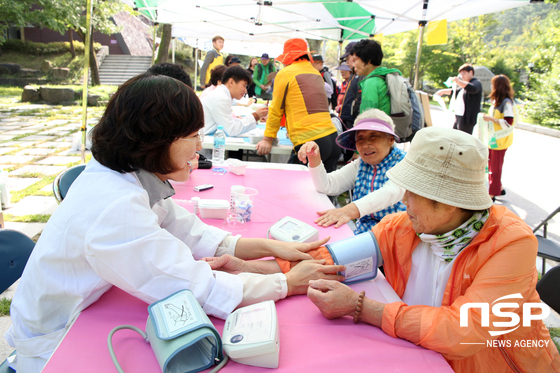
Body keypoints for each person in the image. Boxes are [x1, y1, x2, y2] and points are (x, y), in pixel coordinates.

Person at [4, 73, 343, 372]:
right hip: (54, 343)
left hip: (82, 311)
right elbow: (200, 289)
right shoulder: (115, 206)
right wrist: (289, 283)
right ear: (155, 139)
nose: (200, 147)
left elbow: (195, 233)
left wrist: (274, 247)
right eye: (193, 136)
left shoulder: (128, 176)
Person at [306, 127, 560, 373]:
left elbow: (462, 331)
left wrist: (359, 307)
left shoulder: (512, 243)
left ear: (448, 203)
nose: (403, 200)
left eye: (412, 192)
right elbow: (334, 259)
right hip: (418, 357)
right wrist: (280, 274)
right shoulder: (406, 224)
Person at [298, 109, 406, 234]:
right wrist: (314, 158)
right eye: (360, 138)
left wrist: (347, 211)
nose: (366, 144)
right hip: (365, 235)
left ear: (390, 139)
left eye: (374, 136)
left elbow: (390, 192)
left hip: (396, 237)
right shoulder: (360, 164)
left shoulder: (405, 163)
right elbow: (327, 186)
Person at [256, 39, 340, 173]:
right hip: (331, 138)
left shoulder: (285, 73)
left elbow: (276, 110)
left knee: (292, 187)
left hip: (311, 143)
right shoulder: (315, 73)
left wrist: (267, 139)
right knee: (323, 192)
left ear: (287, 58)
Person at [201, 66, 268, 137]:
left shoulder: (223, 94)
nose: (245, 91)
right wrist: (256, 115)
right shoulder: (221, 98)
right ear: (231, 82)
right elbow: (232, 130)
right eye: (244, 85)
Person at [482, 74, 516, 201]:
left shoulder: (506, 103)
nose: (491, 87)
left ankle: (492, 193)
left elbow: (508, 122)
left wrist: (491, 119)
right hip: (494, 139)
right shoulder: (499, 102)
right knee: (492, 165)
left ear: (498, 86)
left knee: (495, 167)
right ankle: (499, 188)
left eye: (493, 84)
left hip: (500, 140)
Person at [350, 39, 402, 116]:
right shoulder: (383, 76)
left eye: (355, 60)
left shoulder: (371, 82)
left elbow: (366, 117)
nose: (353, 65)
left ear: (368, 60)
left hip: (376, 127)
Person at [435, 63, 483, 135]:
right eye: (461, 74)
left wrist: (458, 81)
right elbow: (455, 91)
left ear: (471, 72)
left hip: (467, 118)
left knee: (462, 138)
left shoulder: (476, 82)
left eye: (464, 73)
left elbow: (472, 89)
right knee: (454, 135)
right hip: (459, 115)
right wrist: (442, 91)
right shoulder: (464, 85)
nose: (462, 76)